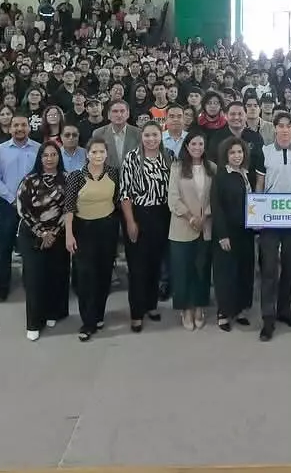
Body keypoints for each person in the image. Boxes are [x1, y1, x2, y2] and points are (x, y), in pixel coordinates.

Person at [254, 114, 291, 341]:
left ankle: (284, 311)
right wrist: (255, 215)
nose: (284, 130)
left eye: (288, 127)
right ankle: (268, 318)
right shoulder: (264, 152)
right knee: (268, 269)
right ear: (274, 129)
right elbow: (259, 185)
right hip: (269, 217)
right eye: (280, 126)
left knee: (290, 268)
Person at [64, 138, 119, 341]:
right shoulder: (76, 176)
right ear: (87, 154)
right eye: (94, 152)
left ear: (107, 154)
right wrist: (69, 234)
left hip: (107, 228)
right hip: (83, 229)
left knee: (104, 273)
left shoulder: (113, 173)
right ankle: (87, 322)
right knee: (86, 276)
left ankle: (98, 315)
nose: (98, 156)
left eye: (101, 152)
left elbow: (117, 200)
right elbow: (69, 207)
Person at [16, 142, 72, 340]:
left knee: (56, 277)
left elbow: (70, 209)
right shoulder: (29, 180)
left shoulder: (67, 179)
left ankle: (52, 312)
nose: (49, 158)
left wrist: (54, 232)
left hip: (59, 235)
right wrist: (42, 232)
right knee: (34, 279)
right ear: (40, 158)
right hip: (32, 235)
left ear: (59, 157)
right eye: (45, 155)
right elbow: (22, 209)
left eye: (53, 154)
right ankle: (34, 323)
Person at [120, 120, 172, 332]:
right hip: (138, 214)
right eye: (147, 135)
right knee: (138, 267)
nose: (151, 139)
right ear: (141, 137)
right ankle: (136, 312)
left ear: (161, 136)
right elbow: (124, 194)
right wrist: (131, 222)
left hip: (162, 214)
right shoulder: (132, 158)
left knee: (155, 263)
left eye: (155, 135)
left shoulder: (168, 156)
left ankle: (151, 305)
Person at [166, 132, 213, 330]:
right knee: (182, 271)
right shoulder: (177, 168)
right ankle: (186, 309)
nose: (197, 147)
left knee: (201, 270)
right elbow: (173, 198)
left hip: (206, 227)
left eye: (200, 143)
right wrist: (190, 217)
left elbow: (215, 197)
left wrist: (205, 216)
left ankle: (199, 307)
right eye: (193, 143)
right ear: (187, 146)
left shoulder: (212, 168)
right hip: (182, 227)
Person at [0, 116, 38, 301]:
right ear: (9, 129)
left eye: (23, 125)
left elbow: (42, 176)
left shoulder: (38, 148)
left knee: (31, 248)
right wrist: (12, 199)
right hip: (8, 205)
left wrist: (29, 199)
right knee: (4, 248)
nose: (19, 128)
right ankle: (3, 287)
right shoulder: (0, 150)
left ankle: (30, 284)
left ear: (29, 128)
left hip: (33, 205)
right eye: (16, 125)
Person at [209, 137, 254, 331]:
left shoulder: (247, 174)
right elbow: (216, 207)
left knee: (245, 271)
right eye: (233, 153)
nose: (237, 156)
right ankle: (224, 312)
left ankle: (240, 309)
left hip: (247, 231)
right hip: (228, 232)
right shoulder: (220, 177)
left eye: (240, 152)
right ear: (226, 155)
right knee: (226, 273)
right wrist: (222, 235)